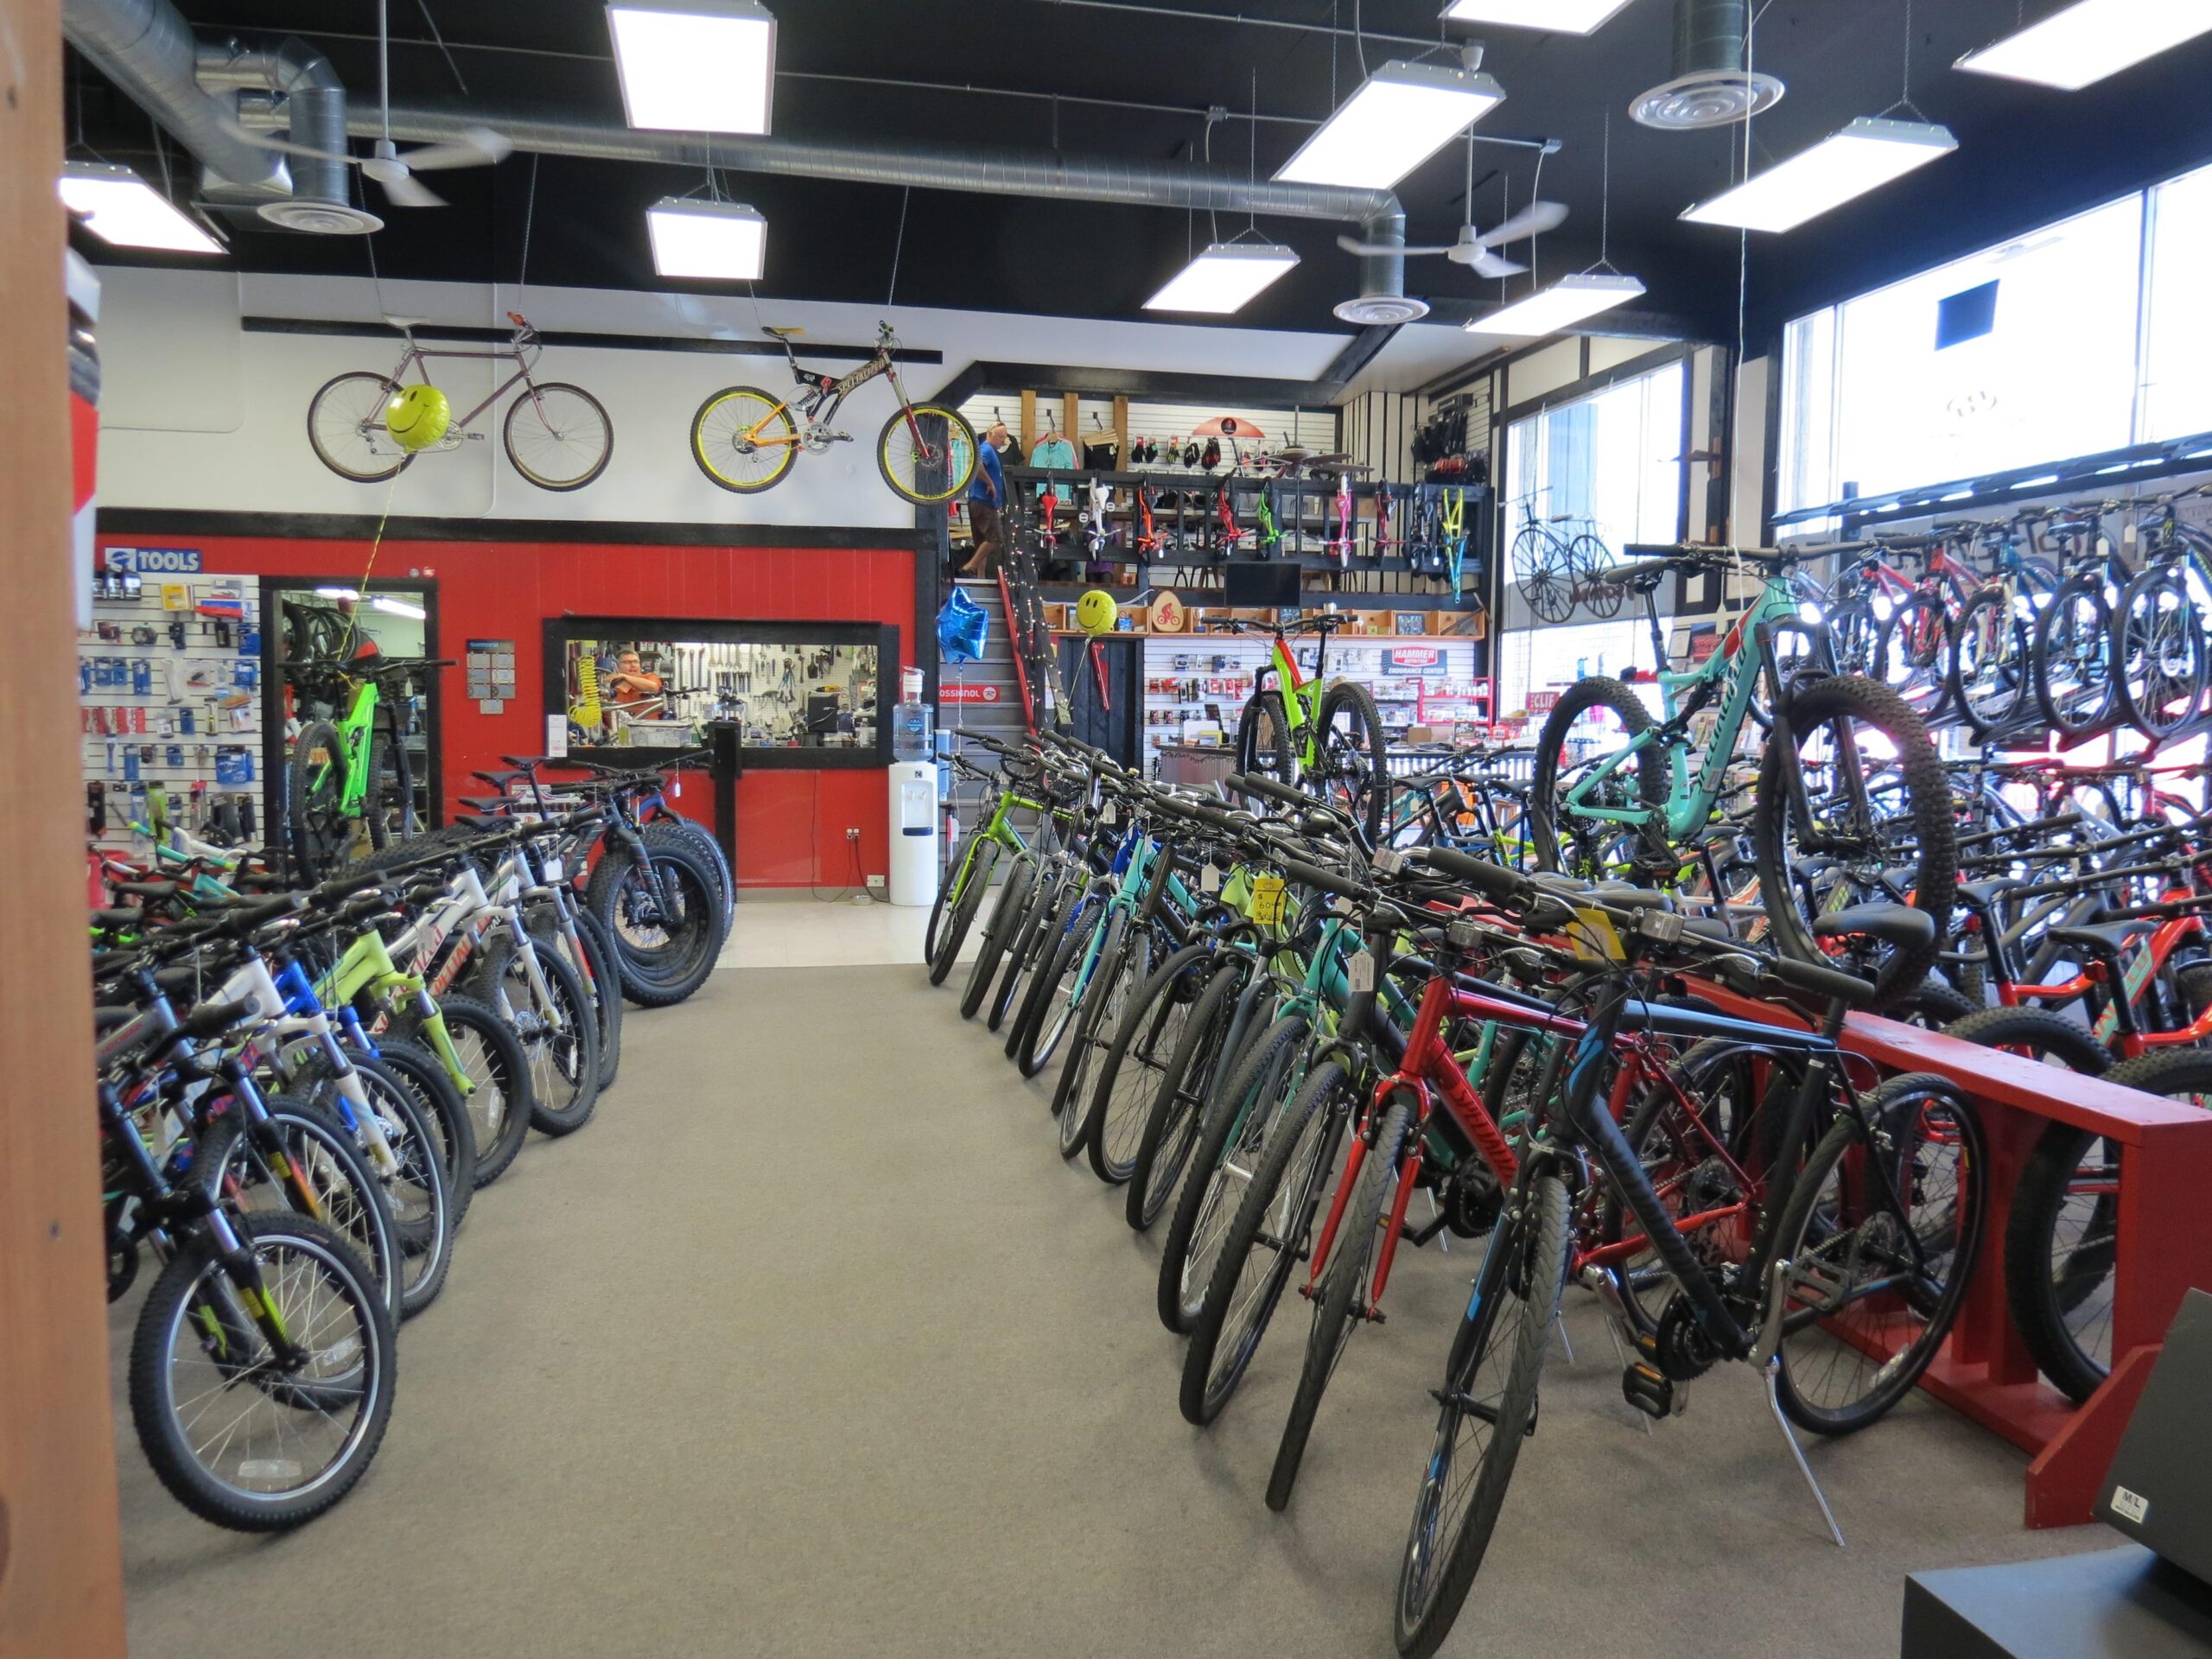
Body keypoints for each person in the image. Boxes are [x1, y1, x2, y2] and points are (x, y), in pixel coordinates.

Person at [959, 423, 1008, 578]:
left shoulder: (987, 450)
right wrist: (990, 483)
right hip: (984, 502)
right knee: (995, 538)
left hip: (976, 501)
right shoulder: (987, 449)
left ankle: (981, 578)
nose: (1003, 441)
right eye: (1001, 437)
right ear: (990, 434)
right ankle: (970, 567)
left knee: (982, 543)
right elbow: (977, 465)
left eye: (1005, 438)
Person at [603, 648, 665, 720]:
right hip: (622, 728)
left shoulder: (650, 677)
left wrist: (624, 676)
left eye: (635, 662)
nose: (633, 665)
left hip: (650, 727)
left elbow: (654, 688)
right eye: (626, 662)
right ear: (616, 666)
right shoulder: (610, 688)